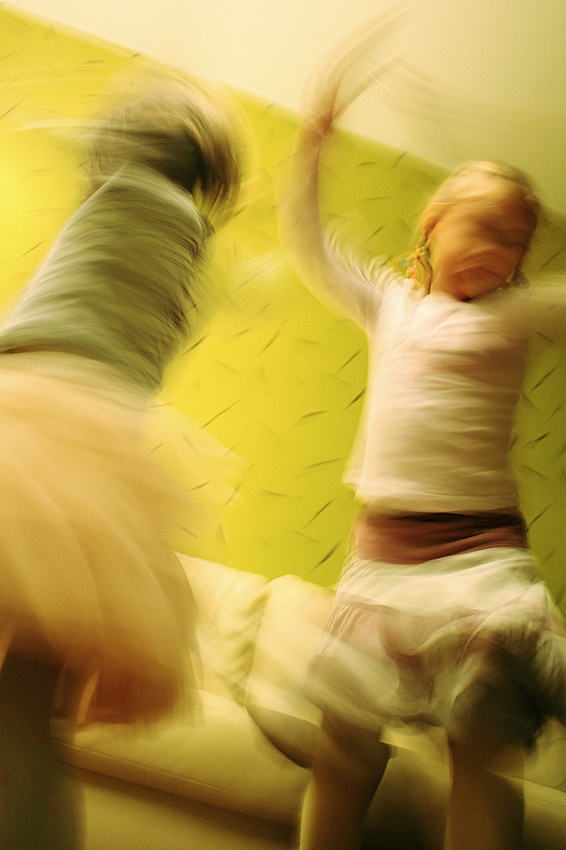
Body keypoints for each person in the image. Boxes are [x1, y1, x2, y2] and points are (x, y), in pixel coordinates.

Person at [279, 17, 566, 850]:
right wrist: (312, 143)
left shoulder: (515, 315)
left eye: (515, 241)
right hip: (381, 565)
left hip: (480, 562)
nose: (498, 251)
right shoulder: (389, 305)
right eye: (483, 226)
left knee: (481, 746)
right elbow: (308, 244)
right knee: (341, 754)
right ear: (432, 224)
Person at [0, 68, 242, 848]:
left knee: (19, 715)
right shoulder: (187, 238)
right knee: (26, 713)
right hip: (99, 467)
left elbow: (107, 151)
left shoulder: (126, 199)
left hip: (33, 432)